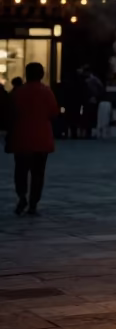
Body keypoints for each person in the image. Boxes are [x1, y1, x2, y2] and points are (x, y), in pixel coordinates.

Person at [8, 63, 59, 215]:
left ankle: (22, 195)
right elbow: (54, 112)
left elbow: (10, 113)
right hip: (42, 138)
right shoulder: (46, 92)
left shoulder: (18, 92)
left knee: (21, 171)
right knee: (38, 173)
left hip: (22, 137)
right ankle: (33, 204)